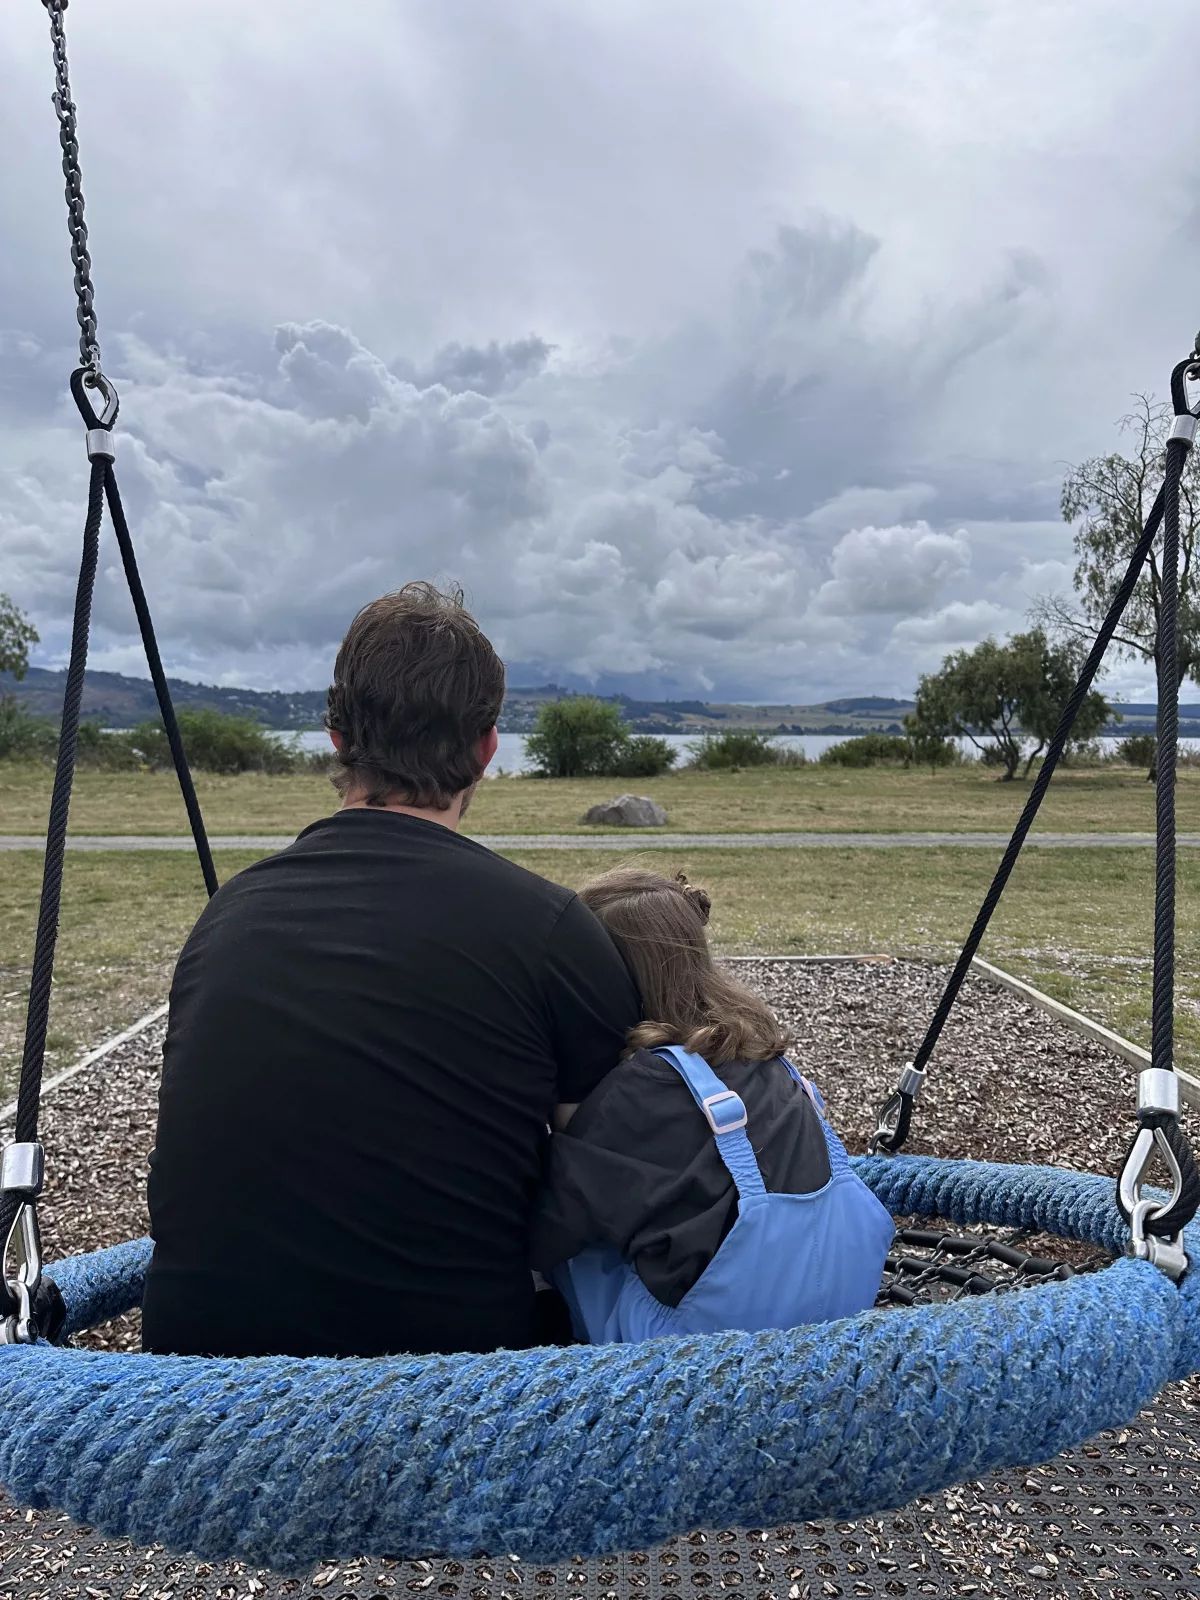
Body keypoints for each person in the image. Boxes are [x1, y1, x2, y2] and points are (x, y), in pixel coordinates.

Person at [141, 583, 640, 1359]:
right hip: (445, 1385)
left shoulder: (226, 916)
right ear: (487, 748)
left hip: (197, 1377)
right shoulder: (550, 930)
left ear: (338, 737)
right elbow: (612, 1183)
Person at [530, 868, 894, 1343]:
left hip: (708, 1346)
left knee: (555, 1266)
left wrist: (565, 1123)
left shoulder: (639, 1089)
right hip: (838, 1306)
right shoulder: (762, 1055)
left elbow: (546, 1232)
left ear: (601, 979)